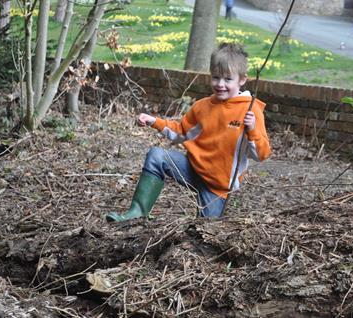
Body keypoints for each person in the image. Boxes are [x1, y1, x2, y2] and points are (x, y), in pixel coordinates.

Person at [106, 43, 271, 222]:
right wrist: (155, 122)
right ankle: (137, 213)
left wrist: (252, 130)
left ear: (242, 79)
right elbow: (181, 132)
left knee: (203, 231)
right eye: (216, 78)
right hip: (192, 169)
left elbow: (262, 155)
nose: (220, 84)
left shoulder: (250, 111)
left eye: (227, 79)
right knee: (157, 156)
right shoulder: (202, 107)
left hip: (217, 188)